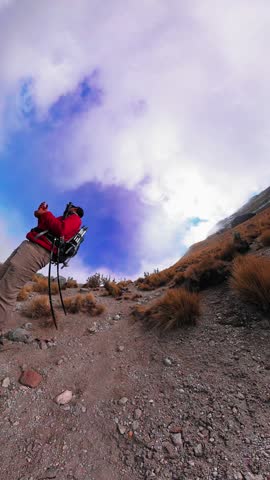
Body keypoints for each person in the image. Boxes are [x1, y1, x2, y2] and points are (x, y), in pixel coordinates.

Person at [0, 202, 84, 330]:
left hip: (37, 252)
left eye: (71, 206)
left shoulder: (75, 219)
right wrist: (41, 215)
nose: (68, 207)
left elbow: (60, 230)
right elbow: (45, 228)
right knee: (2, 279)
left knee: (7, 291)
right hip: (30, 246)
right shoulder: (64, 219)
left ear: (76, 209)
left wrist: (46, 214)